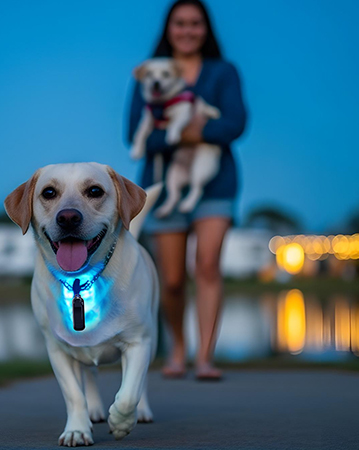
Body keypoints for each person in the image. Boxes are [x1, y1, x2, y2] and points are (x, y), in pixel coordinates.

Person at [127, 0, 247, 380]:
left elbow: (235, 124)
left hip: (216, 183)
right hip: (163, 186)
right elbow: (136, 137)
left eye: (196, 23)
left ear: (206, 29)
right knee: (173, 279)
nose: (188, 30)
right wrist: (193, 130)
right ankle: (177, 347)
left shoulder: (223, 71)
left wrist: (184, 131)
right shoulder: (148, 75)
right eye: (180, 23)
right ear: (169, 28)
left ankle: (205, 358)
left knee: (208, 265)